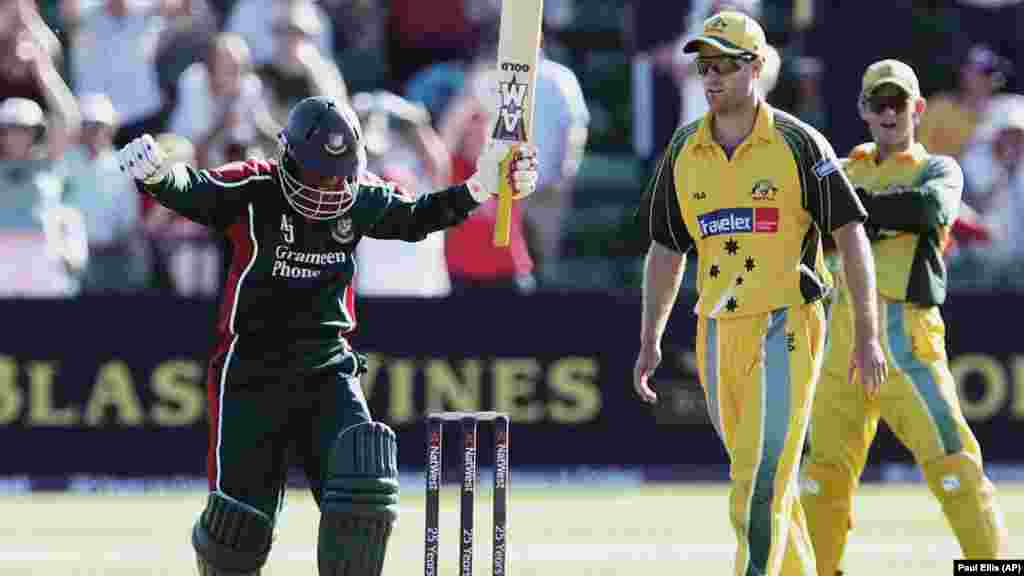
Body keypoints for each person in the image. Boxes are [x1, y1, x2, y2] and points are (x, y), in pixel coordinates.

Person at [115, 95, 538, 576]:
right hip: (253, 372)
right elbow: (195, 191)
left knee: (366, 488)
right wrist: (156, 176)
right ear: (288, 157)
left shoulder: (360, 196)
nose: (328, 189)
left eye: (339, 175)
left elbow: (420, 216)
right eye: (317, 174)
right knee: (237, 531)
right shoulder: (256, 187)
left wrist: (483, 182)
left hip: (327, 367)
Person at [631, 11, 887, 576]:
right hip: (717, 331)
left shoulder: (798, 143)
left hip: (786, 324)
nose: (712, 76)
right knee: (761, 479)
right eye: (705, 66)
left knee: (759, 480)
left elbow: (851, 237)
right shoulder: (683, 149)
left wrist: (868, 335)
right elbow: (666, 249)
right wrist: (650, 338)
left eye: (725, 64)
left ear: (757, 67)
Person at [800, 60, 1008, 576]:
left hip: (908, 341)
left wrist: (852, 213)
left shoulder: (939, 169)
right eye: (879, 102)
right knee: (823, 477)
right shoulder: (845, 169)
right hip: (842, 339)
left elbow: (929, 210)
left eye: (899, 102)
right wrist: (867, 213)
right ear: (864, 110)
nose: (889, 112)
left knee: (954, 463)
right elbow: (814, 223)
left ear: (918, 108)